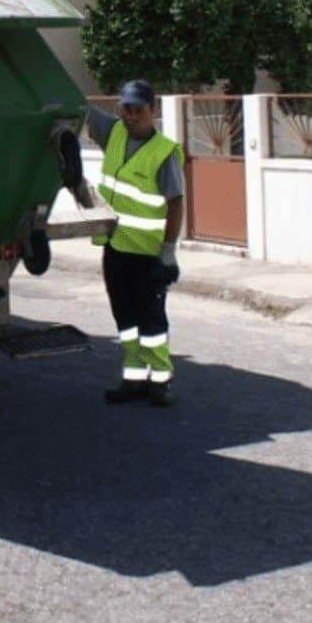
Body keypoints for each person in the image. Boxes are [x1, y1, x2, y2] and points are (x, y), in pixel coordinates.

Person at [87, 80, 185, 407]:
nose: (131, 116)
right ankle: (133, 378)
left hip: (148, 254)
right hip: (115, 248)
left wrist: (168, 252)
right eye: (126, 109)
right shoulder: (113, 132)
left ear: (152, 110)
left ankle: (160, 382)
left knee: (152, 320)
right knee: (125, 320)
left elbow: (175, 203)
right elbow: (80, 110)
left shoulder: (164, 152)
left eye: (138, 110)